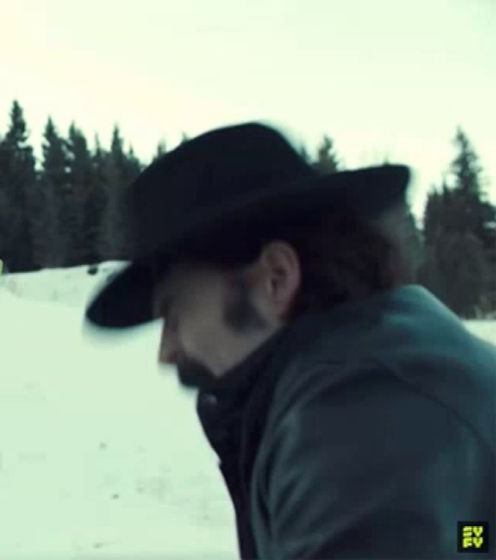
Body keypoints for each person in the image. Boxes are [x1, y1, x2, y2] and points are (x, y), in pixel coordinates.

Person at [85, 122, 496, 558]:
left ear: (276, 278)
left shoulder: (357, 415)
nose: (167, 352)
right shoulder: (379, 365)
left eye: (173, 313)